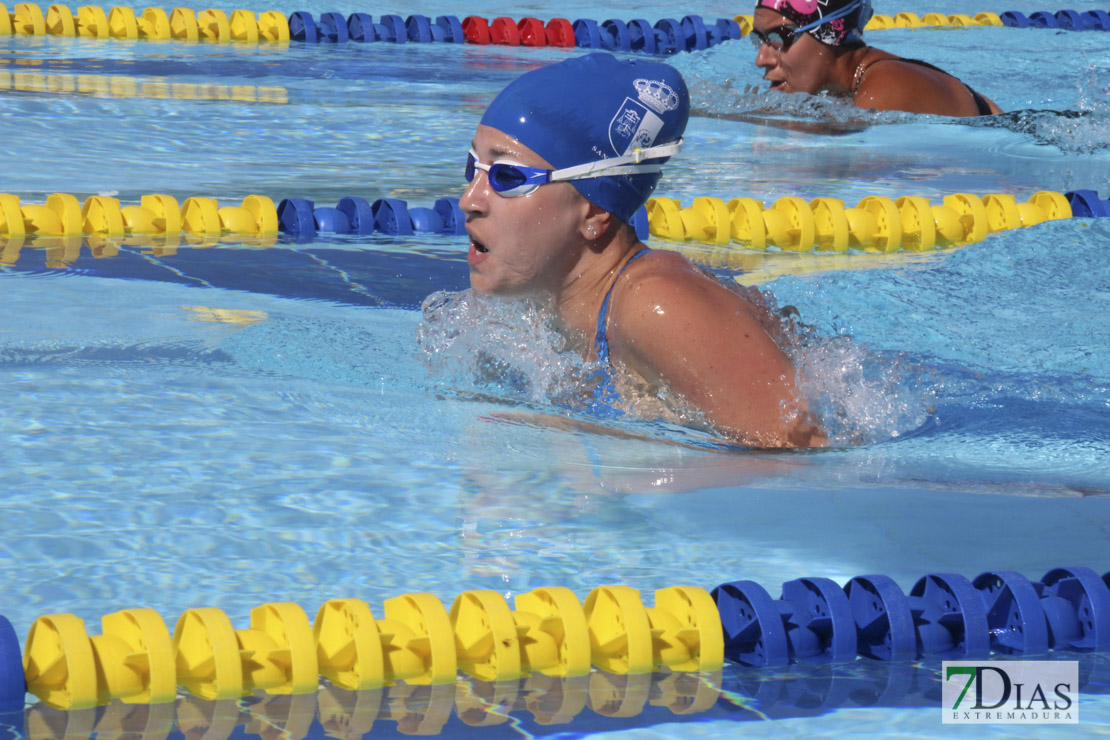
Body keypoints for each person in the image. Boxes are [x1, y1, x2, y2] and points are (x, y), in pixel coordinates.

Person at [459, 53, 825, 449]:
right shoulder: (545, 300)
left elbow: (801, 451)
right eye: (473, 166)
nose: (469, 200)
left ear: (595, 210)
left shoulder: (656, 305)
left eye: (507, 176)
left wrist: (622, 469)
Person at [751, 0, 1003, 117]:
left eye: (778, 37)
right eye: (759, 40)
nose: (761, 59)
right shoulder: (852, 88)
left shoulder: (887, 86)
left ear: (829, 33)